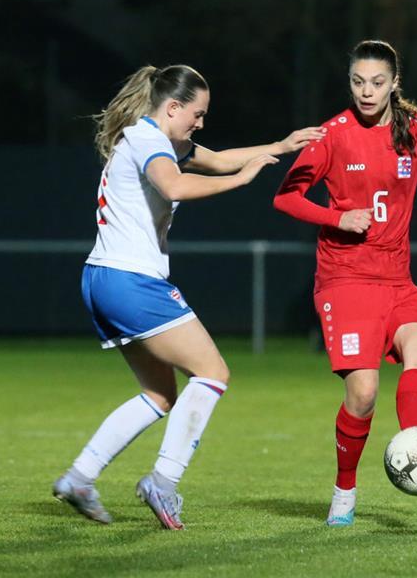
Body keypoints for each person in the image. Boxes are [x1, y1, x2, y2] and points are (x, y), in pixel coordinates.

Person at [53, 64, 324, 530]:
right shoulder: (149, 141)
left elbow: (216, 159)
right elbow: (175, 184)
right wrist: (242, 181)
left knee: (160, 394)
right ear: (173, 107)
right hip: (131, 280)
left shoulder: (153, 139)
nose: (201, 123)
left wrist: (280, 146)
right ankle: (163, 481)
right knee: (213, 372)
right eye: (197, 114)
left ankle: (80, 478)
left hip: (105, 278)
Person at [273, 40, 417, 527]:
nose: (366, 92)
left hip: (397, 279)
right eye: (358, 82)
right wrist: (337, 218)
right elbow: (286, 198)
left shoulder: (416, 129)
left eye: (377, 82)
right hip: (345, 279)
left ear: (394, 84)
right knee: (363, 394)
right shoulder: (332, 135)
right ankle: (344, 492)